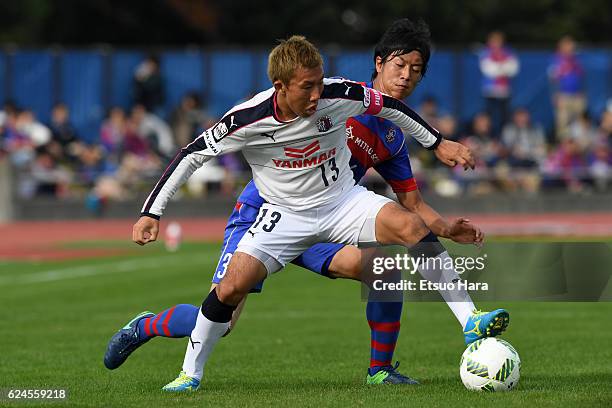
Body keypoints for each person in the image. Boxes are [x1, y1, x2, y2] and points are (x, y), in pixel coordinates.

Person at [105, 20, 508, 387]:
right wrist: (151, 211)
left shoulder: (388, 135)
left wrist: (445, 226)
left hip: (333, 214)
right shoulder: (333, 97)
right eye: (400, 66)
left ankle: (382, 369)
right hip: (265, 214)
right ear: (379, 63)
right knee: (223, 318)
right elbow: (195, 152)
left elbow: (412, 202)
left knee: (383, 271)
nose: (406, 77)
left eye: (416, 71)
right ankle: (148, 326)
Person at [478, 31, 519, 136]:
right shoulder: (485, 53)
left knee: (505, 118)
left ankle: (503, 140)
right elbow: (488, 70)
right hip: (490, 91)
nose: (496, 43)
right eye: (494, 40)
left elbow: (513, 69)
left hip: (504, 91)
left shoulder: (508, 52)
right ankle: (490, 138)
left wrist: (498, 68)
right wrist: (503, 68)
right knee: (490, 118)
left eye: (498, 40)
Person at [548, 36, 585, 140]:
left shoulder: (576, 60)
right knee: (563, 125)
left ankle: (577, 148)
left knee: (578, 124)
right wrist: (555, 94)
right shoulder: (556, 60)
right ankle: (563, 149)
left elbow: (581, 78)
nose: (570, 48)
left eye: (572, 46)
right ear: (561, 47)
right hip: (563, 96)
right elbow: (552, 79)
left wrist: (582, 92)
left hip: (577, 95)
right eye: (568, 46)